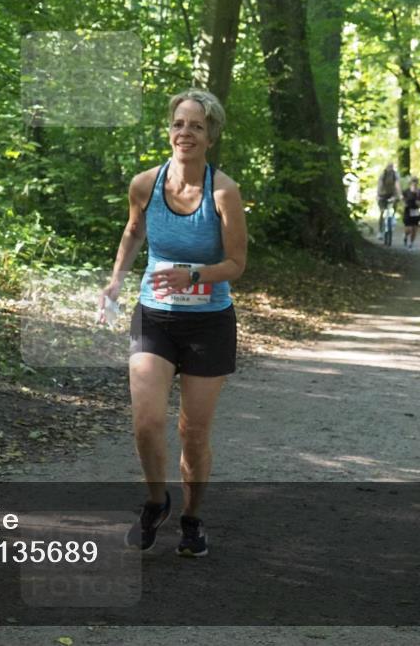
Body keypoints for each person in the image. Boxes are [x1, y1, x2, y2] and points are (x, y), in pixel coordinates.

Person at [99, 89, 246, 557]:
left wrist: (195, 274)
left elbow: (237, 263)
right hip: (155, 317)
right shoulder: (145, 183)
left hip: (208, 323)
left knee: (193, 433)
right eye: (179, 124)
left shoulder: (223, 192)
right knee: (146, 422)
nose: (185, 133)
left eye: (196, 126)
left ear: (211, 136)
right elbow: (133, 230)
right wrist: (116, 281)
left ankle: (192, 517)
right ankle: (155, 500)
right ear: (169, 130)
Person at [377, 163, 401, 241]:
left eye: (391, 167)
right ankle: (380, 231)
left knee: (393, 209)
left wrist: (399, 195)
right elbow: (379, 185)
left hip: (392, 194)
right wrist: (378, 195)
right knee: (382, 212)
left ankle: (392, 220)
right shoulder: (383, 175)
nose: (390, 169)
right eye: (389, 167)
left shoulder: (395, 175)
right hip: (383, 194)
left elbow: (397, 185)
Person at [402, 176, 420, 248]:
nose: (414, 183)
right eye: (413, 182)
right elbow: (402, 199)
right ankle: (405, 235)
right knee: (409, 229)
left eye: (416, 182)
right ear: (410, 183)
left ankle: (411, 243)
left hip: (416, 211)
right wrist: (404, 203)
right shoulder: (406, 191)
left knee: (415, 229)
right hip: (408, 211)